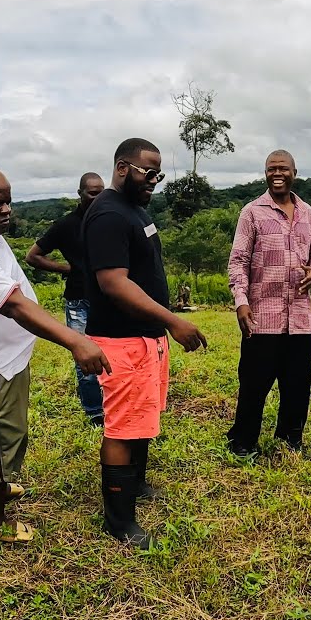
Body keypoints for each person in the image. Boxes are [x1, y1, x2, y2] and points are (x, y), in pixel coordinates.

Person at [0, 165, 110, 544]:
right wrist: (75, 340)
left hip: (6, 357)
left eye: (8, 202)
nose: (5, 211)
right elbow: (15, 306)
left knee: (7, 433)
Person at [83, 138, 207, 548]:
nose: (154, 180)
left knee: (141, 416)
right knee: (121, 426)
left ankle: (134, 485)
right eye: (148, 172)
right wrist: (173, 321)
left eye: (159, 174)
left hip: (144, 337)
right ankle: (118, 521)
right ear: (123, 167)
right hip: (121, 340)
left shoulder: (134, 210)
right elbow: (113, 283)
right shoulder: (107, 214)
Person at [226, 149, 311, 457]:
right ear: (265, 173)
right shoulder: (252, 212)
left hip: (300, 320)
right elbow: (238, 261)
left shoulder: (308, 213)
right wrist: (241, 301)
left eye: (283, 168)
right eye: (271, 168)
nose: (277, 173)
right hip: (262, 317)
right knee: (254, 386)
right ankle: (242, 443)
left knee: (297, 387)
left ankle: (290, 440)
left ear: (295, 172)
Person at [26, 172, 107, 427]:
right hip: (79, 300)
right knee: (85, 356)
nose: (97, 197)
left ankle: (114, 403)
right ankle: (95, 412)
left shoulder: (108, 220)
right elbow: (33, 256)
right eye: (92, 192)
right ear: (80, 193)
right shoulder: (66, 225)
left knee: (114, 354)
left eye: (101, 192)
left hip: (110, 300)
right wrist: (68, 269)